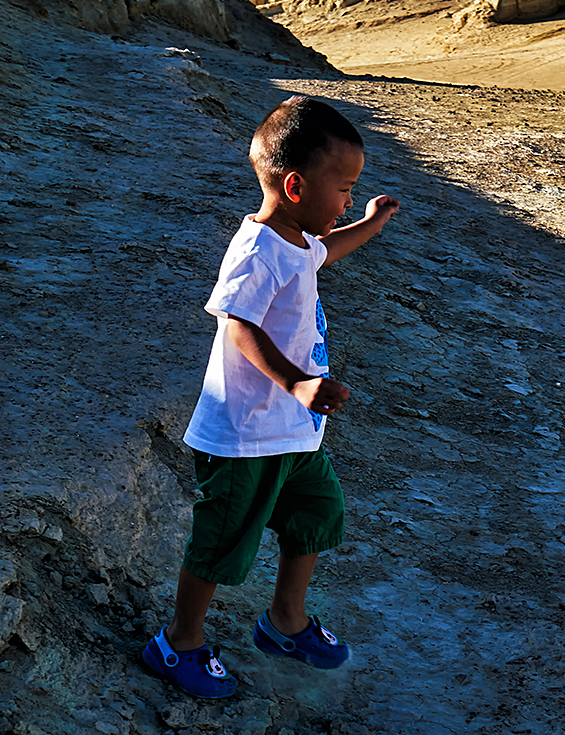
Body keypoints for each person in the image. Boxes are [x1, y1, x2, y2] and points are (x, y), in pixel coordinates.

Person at [140, 95, 401, 698]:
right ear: (294, 184)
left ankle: (285, 620)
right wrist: (298, 381)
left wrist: (368, 223)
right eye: (344, 189)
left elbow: (321, 255)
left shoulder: (297, 237)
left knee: (317, 511)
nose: (346, 200)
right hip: (245, 435)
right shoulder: (258, 248)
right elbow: (238, 322)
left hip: (292, 431)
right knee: (225, 537)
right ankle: (177, 642)